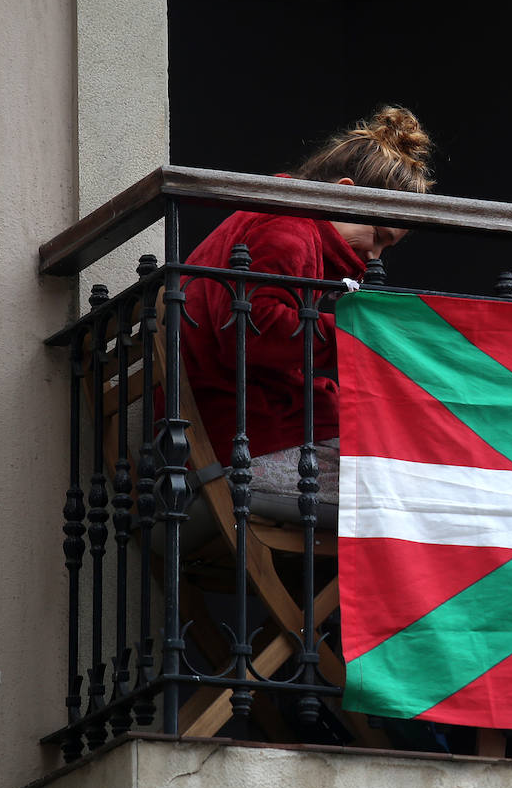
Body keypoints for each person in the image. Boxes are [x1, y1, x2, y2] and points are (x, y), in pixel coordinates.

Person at [182, 105, 435, 504]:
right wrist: (357, 335)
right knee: (413, 493)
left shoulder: (278, 215)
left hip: (226, 432)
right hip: (248, 442)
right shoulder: (291, 229)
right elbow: (254, 327)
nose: (376, 257)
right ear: (346, 193)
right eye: (379, 236)